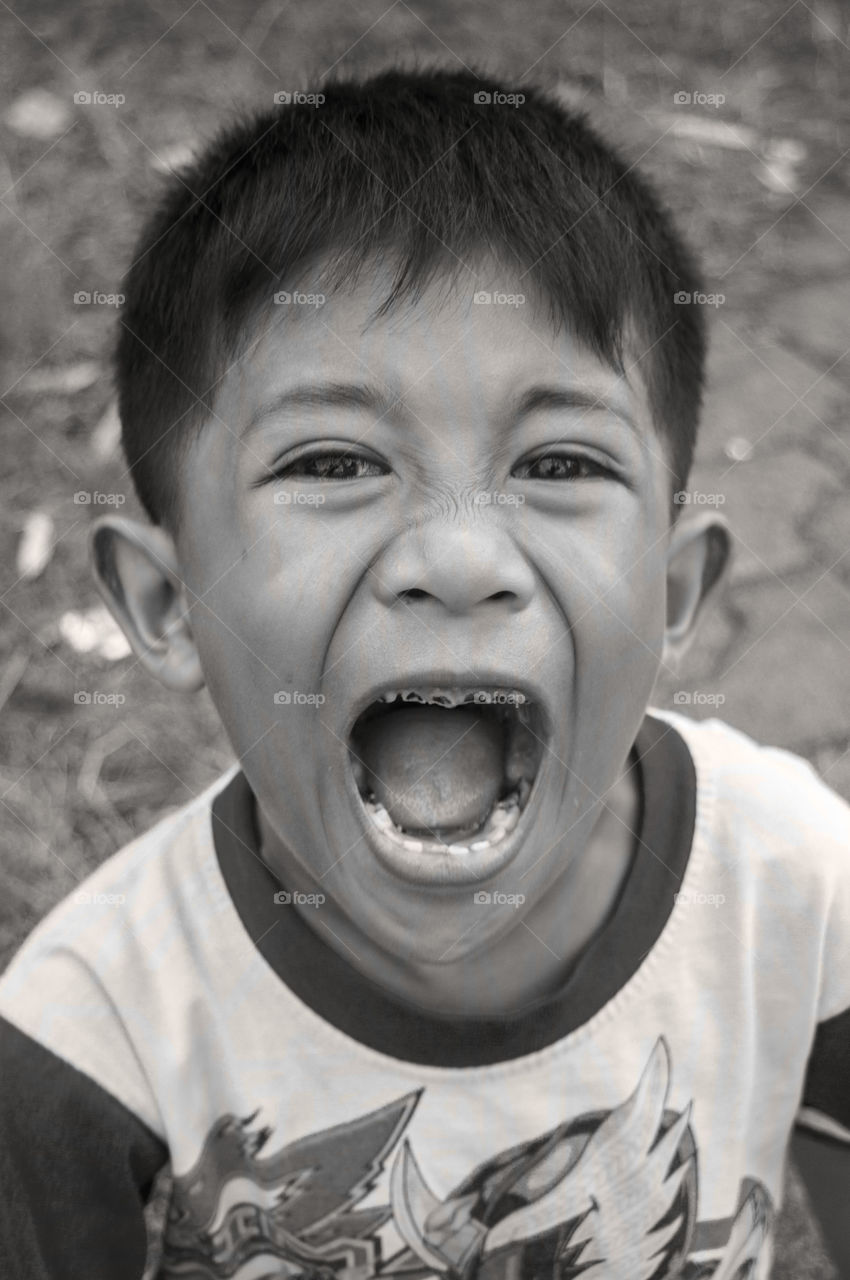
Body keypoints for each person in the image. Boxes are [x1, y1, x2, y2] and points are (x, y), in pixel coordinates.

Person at [0, 66, 847, 1280]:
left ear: (670, 595)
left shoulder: (803, 893)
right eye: (336, 460)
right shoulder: (85, 1045)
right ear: (166, 601)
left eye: (558, 461)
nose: (459, 557)